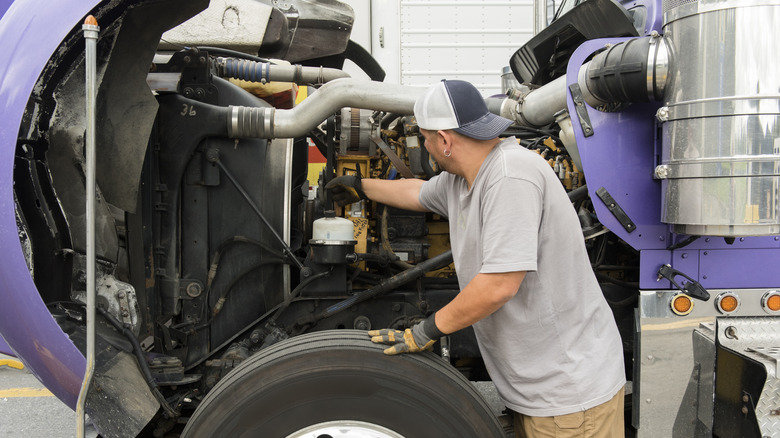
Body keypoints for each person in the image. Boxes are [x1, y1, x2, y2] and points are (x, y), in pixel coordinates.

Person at [326, 79, 625, 438]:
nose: (425, 146)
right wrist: (360, 186)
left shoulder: (511, 176)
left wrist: (423, 332)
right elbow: (418, 192)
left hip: (568, 395)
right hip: (536, 389)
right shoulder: (465, 179)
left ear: (445, 140)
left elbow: (498, 286)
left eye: (426, 138)